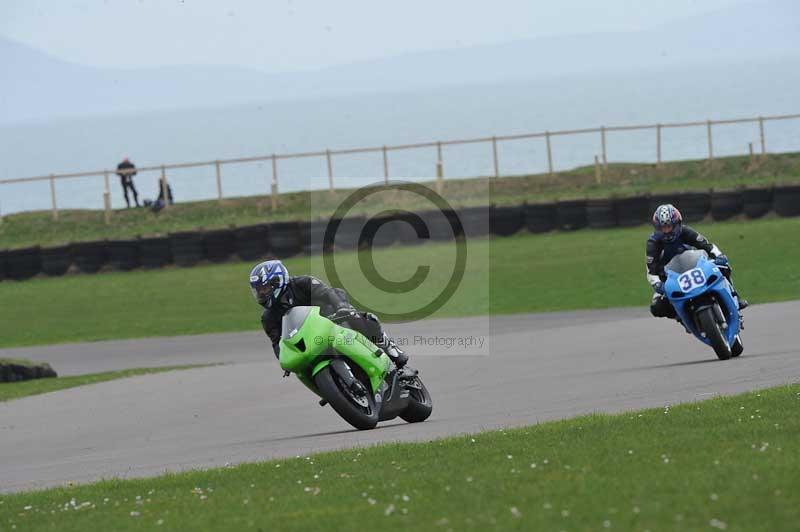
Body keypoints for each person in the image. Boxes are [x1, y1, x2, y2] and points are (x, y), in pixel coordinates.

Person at [250, 259, 408, 368]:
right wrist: (284, 359)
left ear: (277, 281)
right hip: (311, 340)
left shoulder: (302, 283)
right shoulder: (268, 317)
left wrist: (342, 307)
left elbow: (328, 293)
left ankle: (392, 351)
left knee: (364, 319)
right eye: (258, 291)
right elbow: (278, 343)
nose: (261, 294)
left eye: (264, 289)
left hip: (333, 318)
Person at [646, 204, 748, 320]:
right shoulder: (653, 243)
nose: (667, 231)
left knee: (723, 267)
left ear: (677, 224)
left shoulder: (685, 231)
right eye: (663, 228)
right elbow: (651, 271)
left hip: (694, 267)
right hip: (671, 278)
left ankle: (735, 296)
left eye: (669, 226)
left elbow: (706, 245)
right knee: (656, 307)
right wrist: (658, 284)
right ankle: (681, 316)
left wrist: (719, 255)